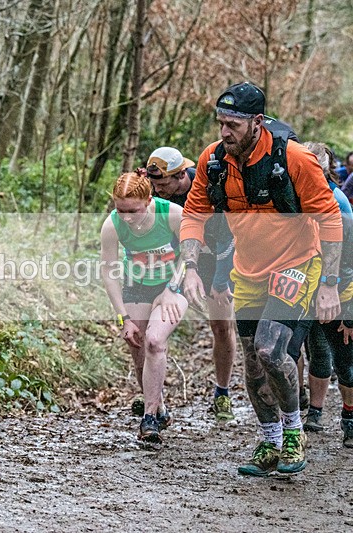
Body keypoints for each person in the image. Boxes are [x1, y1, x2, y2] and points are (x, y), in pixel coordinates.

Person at [181, 82, 343, 475]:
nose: (224, 132)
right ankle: (269, 441)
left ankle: (294, 432)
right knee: (253, 363)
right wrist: (188, 267)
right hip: (249, 269)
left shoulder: (295, 158)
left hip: (297, 263)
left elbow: (331, 217)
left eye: (232, 124)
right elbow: (193, 214)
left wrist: (329, 283)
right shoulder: (213, 160)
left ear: (257, 121)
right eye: (220, 123)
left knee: (273, 350)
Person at [145, 147, 237, 421]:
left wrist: (221, 280)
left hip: (218, 258)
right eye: (154, 184)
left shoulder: (208, 187)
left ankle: (222, 392)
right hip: (180, 261)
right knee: (159, 325)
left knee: (221, 326)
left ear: (181, 175)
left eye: (162, 184)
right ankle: (154, 401)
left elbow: (227, 238)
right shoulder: (160, 198)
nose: (158, 190)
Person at [100, 172, 189, 444]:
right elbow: (109, 271)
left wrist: (172, 289)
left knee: (154, 341)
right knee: (139, 350)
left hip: (173, 285)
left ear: (149, 200)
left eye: (133, 211)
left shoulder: (173, 214)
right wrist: (123, 317)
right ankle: (159, 408)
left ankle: (148, 418)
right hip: (136, 286)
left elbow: (192, 252)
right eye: (120, 210)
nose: (126, 217)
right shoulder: (112, 225)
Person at [297, 142, 353, 446]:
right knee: (316, 352)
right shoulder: (295, 197)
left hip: (338, 290)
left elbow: (347, 257)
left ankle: (349, 418)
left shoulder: (338, 202)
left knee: (344, 360)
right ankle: (314, 413)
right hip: (305, 289)